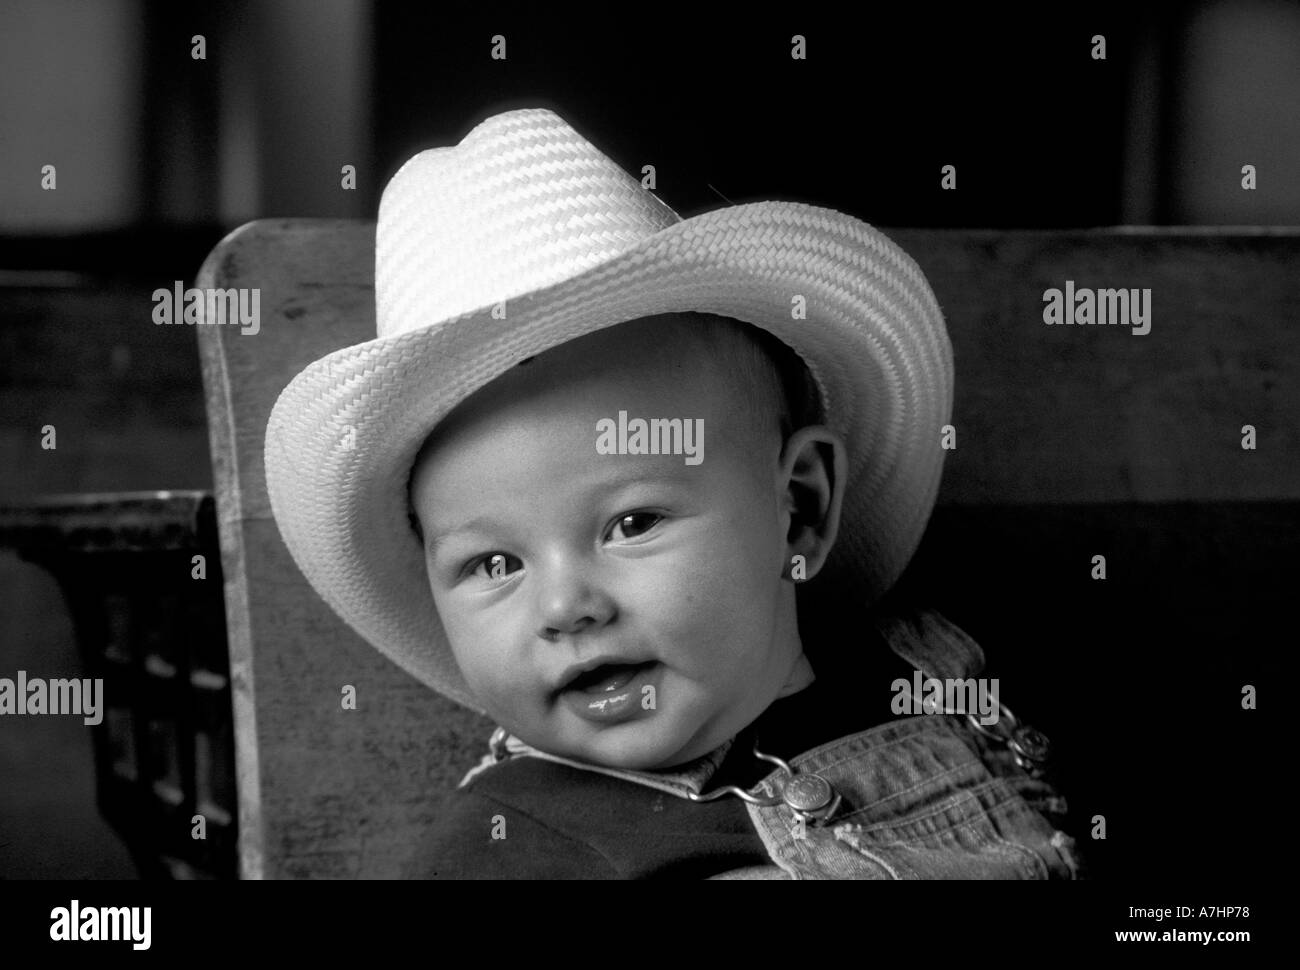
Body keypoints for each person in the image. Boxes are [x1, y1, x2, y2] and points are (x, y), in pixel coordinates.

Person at [264, 107, 1082, 879]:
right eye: (492, 563)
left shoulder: (920, 671)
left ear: (799, 505)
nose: (564, 607)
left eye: (631, 522)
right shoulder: (504, 854)